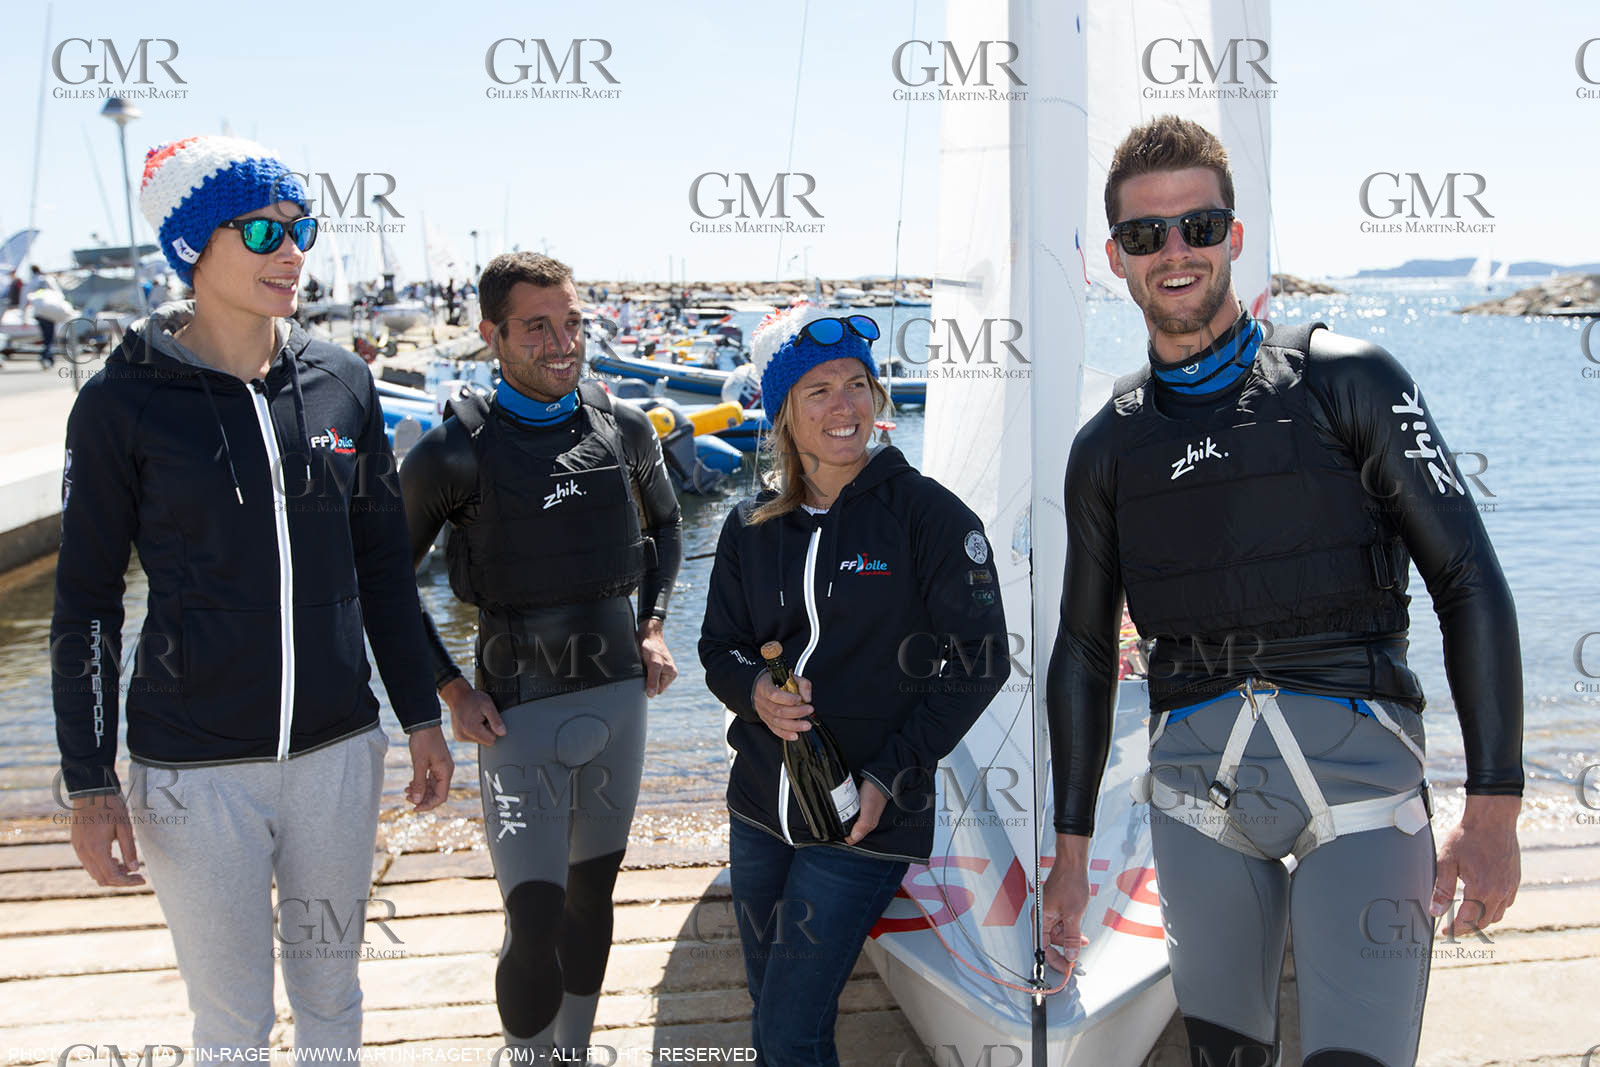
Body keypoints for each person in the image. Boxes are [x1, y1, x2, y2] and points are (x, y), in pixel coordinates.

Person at [1041, 115, 1524, 1067]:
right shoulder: (1106, 448)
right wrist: (1068, 854)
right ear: (1115, 257)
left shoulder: (1346, 379)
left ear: (1234, 236)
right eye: (1147, 235)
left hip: (1363, 793)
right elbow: (1086, 650)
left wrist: (1495, 807)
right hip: (1196, 802)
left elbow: (1467, 579)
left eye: (1199, 226)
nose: (1175, 252)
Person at [50, 135, 454, 1064]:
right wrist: (87, 780)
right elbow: (86, 606)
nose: (293, 251)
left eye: (302, 227)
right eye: (266, 229)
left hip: (337, 754)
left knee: (330, 999)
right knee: (230, 1025)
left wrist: (420, 714)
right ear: (193, 246)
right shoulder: (123, 404)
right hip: (194, 773)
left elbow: (382, 568)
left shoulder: (342, 381)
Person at [699, 306, 1011, 1066]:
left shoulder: (927, 516)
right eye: (819, 392)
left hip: (865, 818)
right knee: (771, 1003)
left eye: (857, 385)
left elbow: (982, 657)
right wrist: (754, 693)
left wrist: (891, 772)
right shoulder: (750, 526)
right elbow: (717, 648)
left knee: (789, 1030)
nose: (845, 407)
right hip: (757, 810)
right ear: (784, 416)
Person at [399, 252, 683, 1063]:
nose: (562, 343)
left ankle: (574, 1051)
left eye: (572, 324)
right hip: (515, 716)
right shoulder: (454, 454)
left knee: (593, 895)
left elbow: (664, 530)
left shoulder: (621, 426)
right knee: (534, 913)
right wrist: (450, 688)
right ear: (492, 335)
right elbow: (378, 582)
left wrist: (654, 623)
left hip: (618, 704)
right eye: (537, 327)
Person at [24, 265, 63, 368]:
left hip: (38, 313)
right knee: (50, 337)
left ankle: (46, 355)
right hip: (50, 312)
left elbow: (25, 300)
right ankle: (47, 356)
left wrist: (25, 317)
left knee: (46, 336)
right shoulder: (47, 279)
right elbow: (58, 294)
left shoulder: (31, 282)